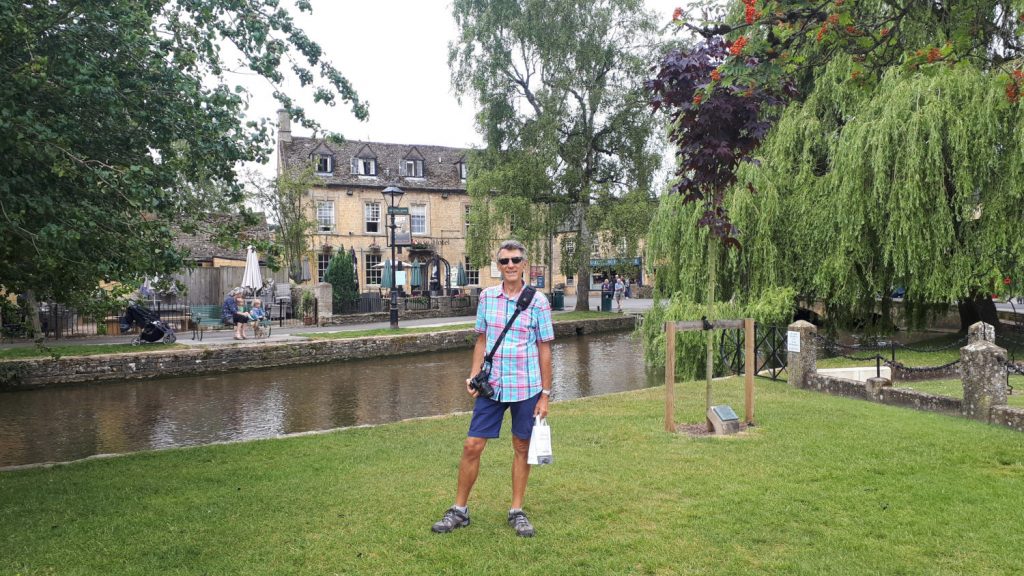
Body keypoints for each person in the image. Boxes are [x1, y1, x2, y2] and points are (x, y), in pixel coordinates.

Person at [432, 239, 554, 538]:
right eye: (504, 261)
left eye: (515, 260)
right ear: (497, 266)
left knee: (522, 447)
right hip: (492, 386)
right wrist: (474, 375)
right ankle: (459, 510)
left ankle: (517, 511)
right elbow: (482, 342)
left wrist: (546, 394)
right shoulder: (487, 297)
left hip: (526, 387)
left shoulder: (538, 301)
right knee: (472, 446)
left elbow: (545, 350)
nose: (510, 265)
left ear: (524, 264)